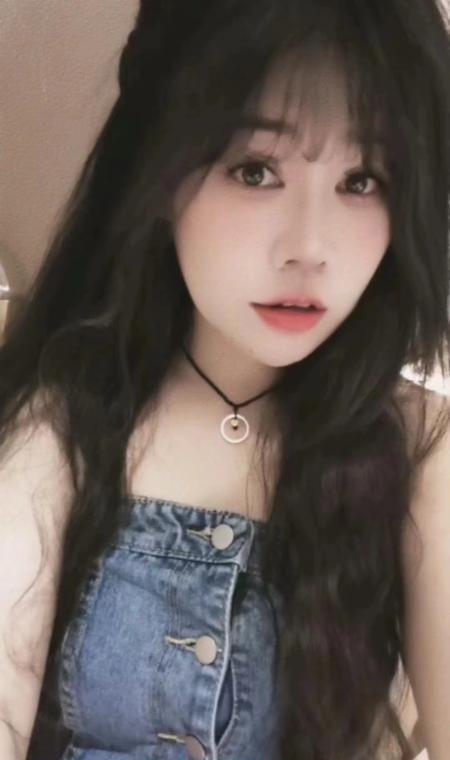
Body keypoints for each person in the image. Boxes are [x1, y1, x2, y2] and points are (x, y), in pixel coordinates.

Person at [0, 0, 449, 758]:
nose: (310, 247)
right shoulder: (64, 423)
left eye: (362, 179)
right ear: (159, 174)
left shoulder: (421, 446)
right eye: (255, 170)